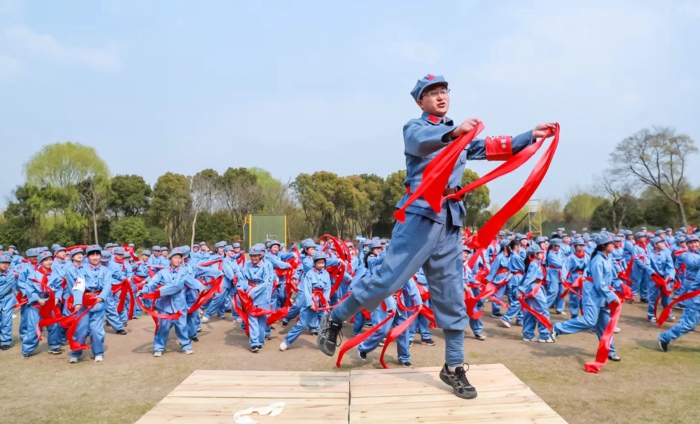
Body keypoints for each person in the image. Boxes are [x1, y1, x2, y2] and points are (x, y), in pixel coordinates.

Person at [315, 73, 555, 400]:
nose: (441, 97)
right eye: (432, 93)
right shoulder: (416, 128)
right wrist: (454, 132)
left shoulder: (460, 134)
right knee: (386, 281)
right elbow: (423, 142)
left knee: (452, 293)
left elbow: (492, 147)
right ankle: (335, 318)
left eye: (444, 91)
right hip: (419, 216)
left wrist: (531, 135)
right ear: (420, 101)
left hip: (451, 219)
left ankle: (453, 366)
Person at [553, 234, 621, 362]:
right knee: (590, 321)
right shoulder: (597, 260)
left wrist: (620, 288)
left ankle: (609, 351)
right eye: (611, 243)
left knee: (605, 326)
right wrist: (612, 296)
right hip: (593, 296)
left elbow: (611, 277)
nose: (614, 245)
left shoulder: (607, 258)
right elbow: (599, 283)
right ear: (603, 246)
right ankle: (557, 328)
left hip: (603, 297)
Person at [136, 247, 195, 357]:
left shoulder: (184, 272)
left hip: (179, 304)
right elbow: (152, 283)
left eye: (179, 258)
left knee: (182, 326)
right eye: (175, 258)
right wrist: (143, 290)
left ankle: (186, 346)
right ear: (170, 259)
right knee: (163, 326)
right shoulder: (162, 272)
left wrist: (202, 289)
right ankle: (158, 348)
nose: (177, 260)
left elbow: (193, 282)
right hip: (165, 304)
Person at [68, 245, 114, 363]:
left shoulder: (106, 271)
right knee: (81, 330)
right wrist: (77, 302)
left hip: (98, 303)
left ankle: (98, 352)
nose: (95, 257)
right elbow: (78, 286)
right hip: (85, 303)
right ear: (87, 257)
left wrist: (102, 297)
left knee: (96, 330)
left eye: (97, 254)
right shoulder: (82, 270)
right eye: (92, 255)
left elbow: (107, 286)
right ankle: (76, 352)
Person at [280, 252, 331, 351]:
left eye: (322, 262)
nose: (321, 265)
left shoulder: (326, 274)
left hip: (322, 303)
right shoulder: (309, 274)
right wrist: (310, 303)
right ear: (314, 263)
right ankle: (287, 341)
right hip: (311, 301)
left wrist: (326, 301)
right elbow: (307, 290)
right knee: (302, 324)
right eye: (319, 263)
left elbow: (328, 288)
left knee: (325, 324)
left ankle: (323, 343)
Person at [19, 250, 64, 358]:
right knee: (33, 327)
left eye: (50, 259)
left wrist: (57, 298)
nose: (49, 262)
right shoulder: (33, 275)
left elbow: (59, 288)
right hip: (37, 305)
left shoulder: (55, 274)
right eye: (46, 260)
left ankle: (54, 346)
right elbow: (29, 289)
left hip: (50, 304)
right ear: (40, 262)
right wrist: (37, 299)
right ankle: (27, 349)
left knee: (54, 325)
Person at [519, 245, 553, 343]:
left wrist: (522, 289)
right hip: (534, 289)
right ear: (535, 254)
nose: (542, 254)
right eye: (540, 253)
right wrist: (521, 290)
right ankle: (544, 335)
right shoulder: (534, 264)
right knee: (542, 311)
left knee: (530, 312)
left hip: (534, 287)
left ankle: (528, 334)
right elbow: (529, 278)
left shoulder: (533, 263)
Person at [0, 254, 19, 350]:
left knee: (6, 321)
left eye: (7, 263)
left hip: (7, 298)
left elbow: (5, 289)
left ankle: (5, 341)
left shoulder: (10, 274)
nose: (5, 265)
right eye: (3, 262)